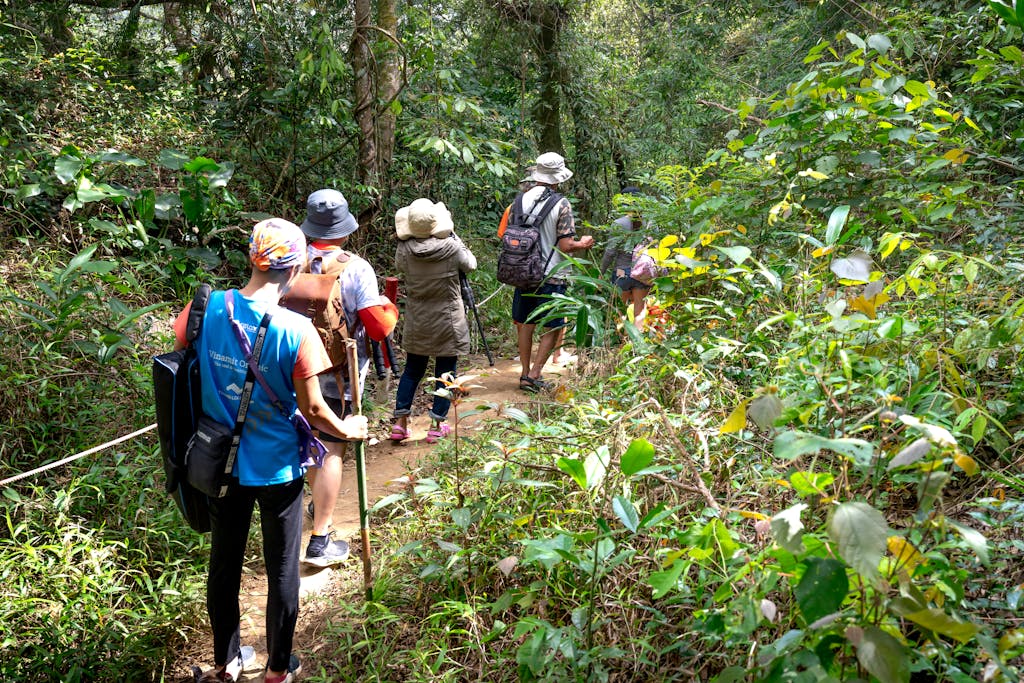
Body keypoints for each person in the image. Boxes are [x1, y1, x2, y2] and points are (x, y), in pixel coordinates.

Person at [173, 218, 368, 683]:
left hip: (218, 462)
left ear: (252, 258)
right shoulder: (297, 330)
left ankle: (225, 663)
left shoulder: (207, 307)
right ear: (297, 266)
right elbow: (316, 410)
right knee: (282, 567)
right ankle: (278, 669)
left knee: (224, 563)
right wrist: (351, 428)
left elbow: (183, 353)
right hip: (277, 467)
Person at [298, 189, 398, 567]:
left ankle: (300, 520)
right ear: (345, 226)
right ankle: (320, 540)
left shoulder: (289, 258)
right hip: (336, 373)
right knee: (330, 446)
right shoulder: (356, 267)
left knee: (300, 440)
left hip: (288, 366)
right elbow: (376, 328)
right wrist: (389, 308)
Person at [389, 198, 477, 443]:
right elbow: (471, 264)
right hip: (448, 319)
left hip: (418, 318)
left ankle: (400, 423)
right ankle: (437, 425)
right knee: (446, 372)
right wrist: (455, 238)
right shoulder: (451, 247)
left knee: (412, 370)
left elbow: (399, 267)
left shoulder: (404, 250)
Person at [512, 152, 594, 392]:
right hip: (552, 273)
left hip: (523, 272)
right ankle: (535, 373)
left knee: (526, 323)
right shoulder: (562, 203)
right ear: (557, 178)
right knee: (554, 325)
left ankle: (525, 372)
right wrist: (584, 243)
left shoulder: (520, 200)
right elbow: (566, 246)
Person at [600, 186, 651, 319]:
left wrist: (601, 273)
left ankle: (619, 338)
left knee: (618, 311)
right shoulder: (650, 224)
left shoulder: (619, 223)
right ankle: (636, 340)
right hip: (642, 273)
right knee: (639, 312)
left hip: (621, 273)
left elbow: (610, 252)